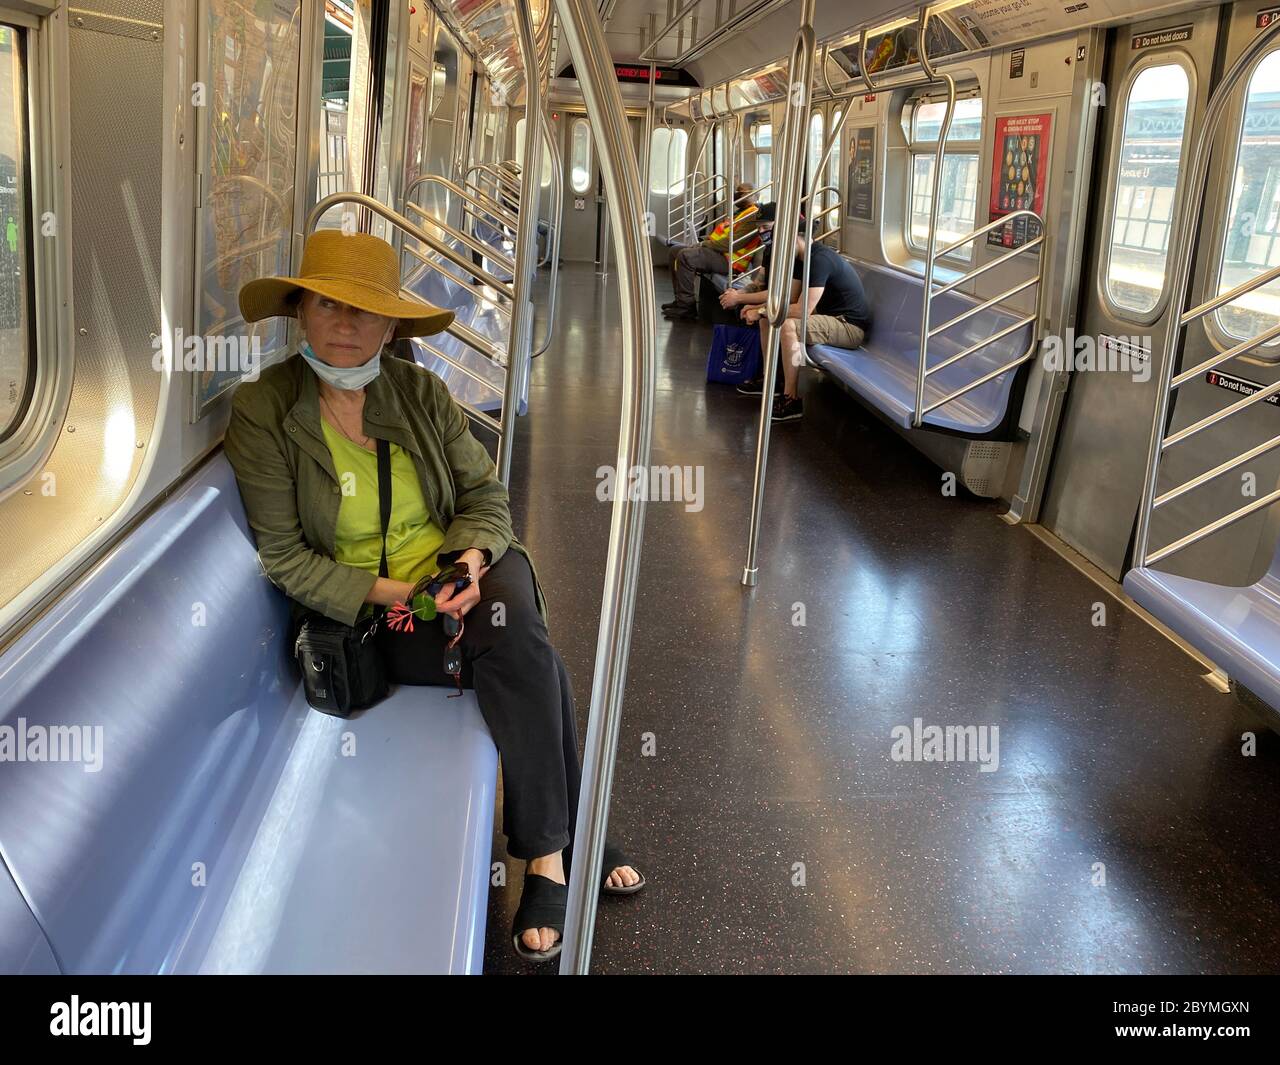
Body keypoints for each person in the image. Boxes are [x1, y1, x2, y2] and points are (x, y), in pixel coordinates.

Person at [224, 229, 644, 964]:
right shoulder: (265, 411)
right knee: (531, 662)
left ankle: (543, 855)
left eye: (365, 311)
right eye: (329, 304)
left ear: (391, 326)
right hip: (376, 606)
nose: (347, 325)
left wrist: (469, 562)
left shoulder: (419, 392)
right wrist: (409, 595)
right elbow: (285, 557)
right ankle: (573, 832)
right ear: (301, 312)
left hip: (464, 570)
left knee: (512, 625)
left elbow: (484, 493)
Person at [719, 203, 870, 421]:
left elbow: (801, 310)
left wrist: (761, 311)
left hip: (848, 326)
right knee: (768, 320)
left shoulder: (819, 259)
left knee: (788, 325)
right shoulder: (801, 259)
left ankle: (791, 399)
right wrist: (760, 311)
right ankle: (771, 379)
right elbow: (790, 298)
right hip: (827, 318)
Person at [662, 183, 761, 320]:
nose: (737, 194)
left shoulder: (752, 215)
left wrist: (703, 244)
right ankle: (680, 300)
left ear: (754, 196)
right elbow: (721, 235)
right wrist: (703, 242)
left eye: (742, 193)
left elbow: (731, 243)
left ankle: (686, 307)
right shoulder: (739, 213)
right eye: (737, 191)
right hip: (718, 253)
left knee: (686, 256)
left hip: (730, 260)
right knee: (675, 251)